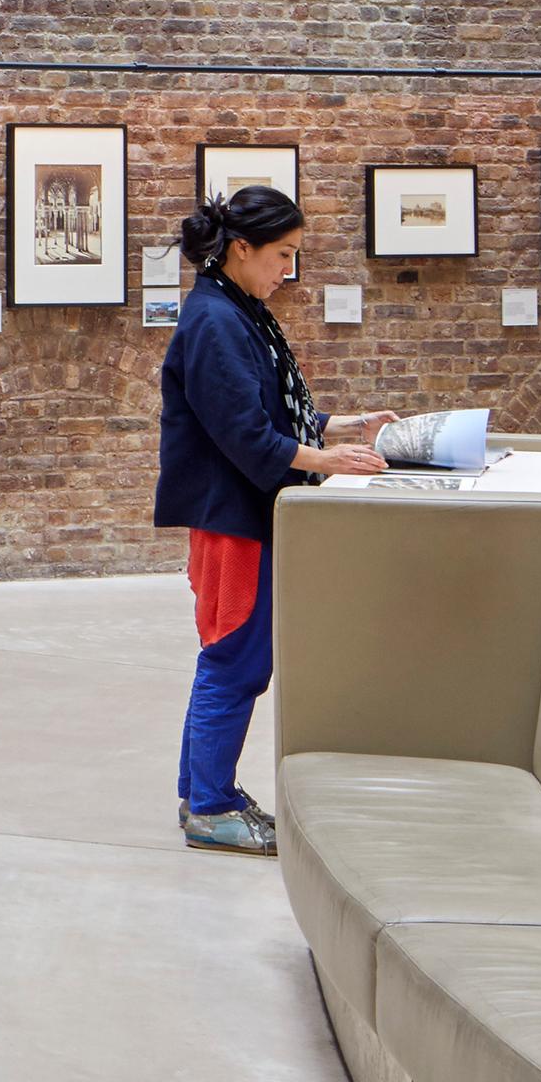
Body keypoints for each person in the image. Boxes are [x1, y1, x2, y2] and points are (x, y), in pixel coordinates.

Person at [155, 185, 394, 854]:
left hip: (241, 513)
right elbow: (250, 439)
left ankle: (200, 792)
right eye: (282, 255)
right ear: (241, 248)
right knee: (236, 659)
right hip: (232, 519)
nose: (287, 270)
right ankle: (210, 805)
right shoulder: (215, 322)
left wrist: (347, 426)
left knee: (229, 656)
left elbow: (272, 413)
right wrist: (331, 459)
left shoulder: (237, 310)